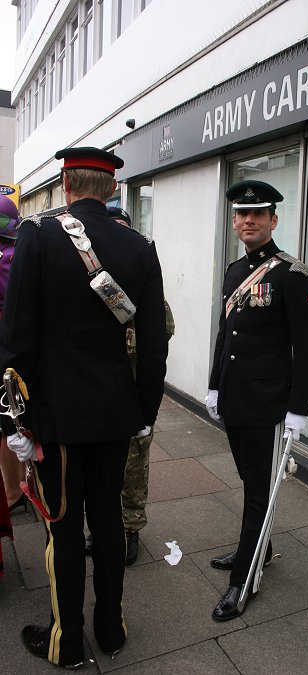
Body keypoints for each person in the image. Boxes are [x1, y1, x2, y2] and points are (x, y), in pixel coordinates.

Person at [0, 147, 168, 668]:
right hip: (117, 413)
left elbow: (17, 337)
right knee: (111, 524)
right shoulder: (140, 247)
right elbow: (155, 341)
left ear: (66, 185)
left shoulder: (39, 234)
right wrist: (142, 410)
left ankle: (66, 640)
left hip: (58, 417)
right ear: (113, 188)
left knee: (64, 527)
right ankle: (111, 630)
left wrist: (16, 419)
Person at [206, 179, 308, 621]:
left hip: (269, 403)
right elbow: (226, 336)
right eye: (242, 213)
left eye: (259, 213)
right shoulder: (235, 272)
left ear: (274, 220)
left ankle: (244, 579)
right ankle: (261, 545)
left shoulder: (293, 275)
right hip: (236, 398)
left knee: (259, 490)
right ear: (234, 220)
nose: (249, 220)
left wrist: (300, 408)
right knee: (250, 479)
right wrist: (215, 385)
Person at [85, 206, 175, 566]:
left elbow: (163, 329)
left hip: (135, 388)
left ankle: (131, 529)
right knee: (100, 467)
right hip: (99, 389)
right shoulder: (94, 280)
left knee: (134, 465)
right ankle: (102, 527)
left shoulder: (142, 277)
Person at [0, 195, 26, 513]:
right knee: (18, 418)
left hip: (5, 350)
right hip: (21, 350)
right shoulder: (20, 253)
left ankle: (12, 492)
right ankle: (21, 485)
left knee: (5, 423)